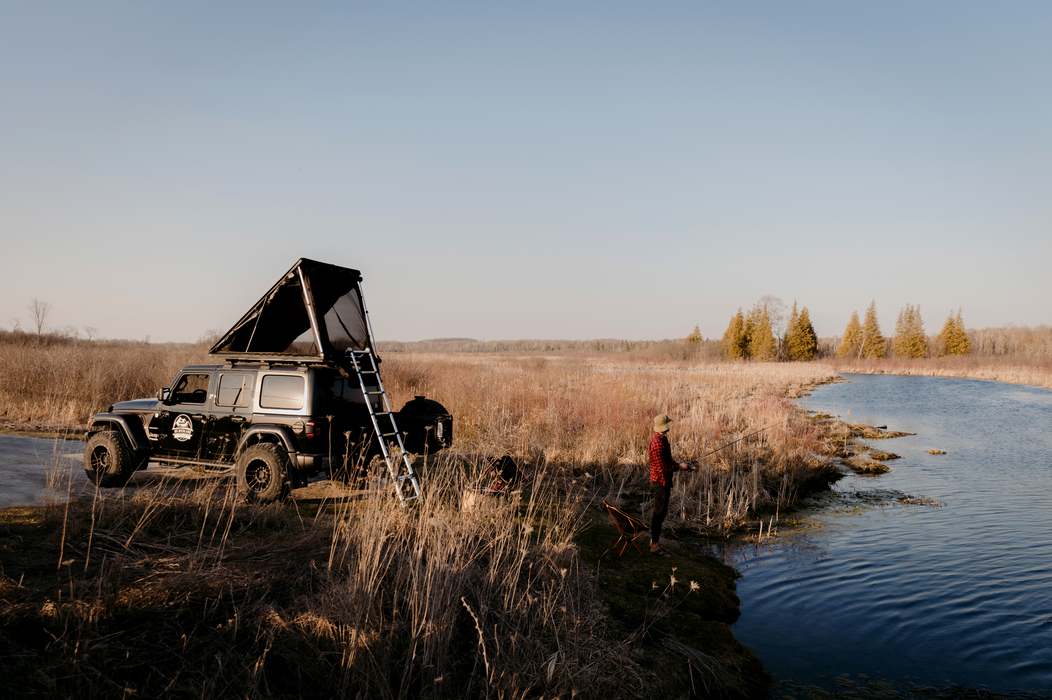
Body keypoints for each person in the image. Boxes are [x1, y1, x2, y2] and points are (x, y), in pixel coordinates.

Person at [648, 413, 690, 556]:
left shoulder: (661, 438)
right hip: (660, 482)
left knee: (661, 511)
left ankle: (654, 541)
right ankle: (654, 546)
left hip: (662, 480)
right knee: (659, 513)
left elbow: (667, 461)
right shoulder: (658, 443)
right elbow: (662, 467)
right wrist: (680, 467)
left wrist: (680, 464)